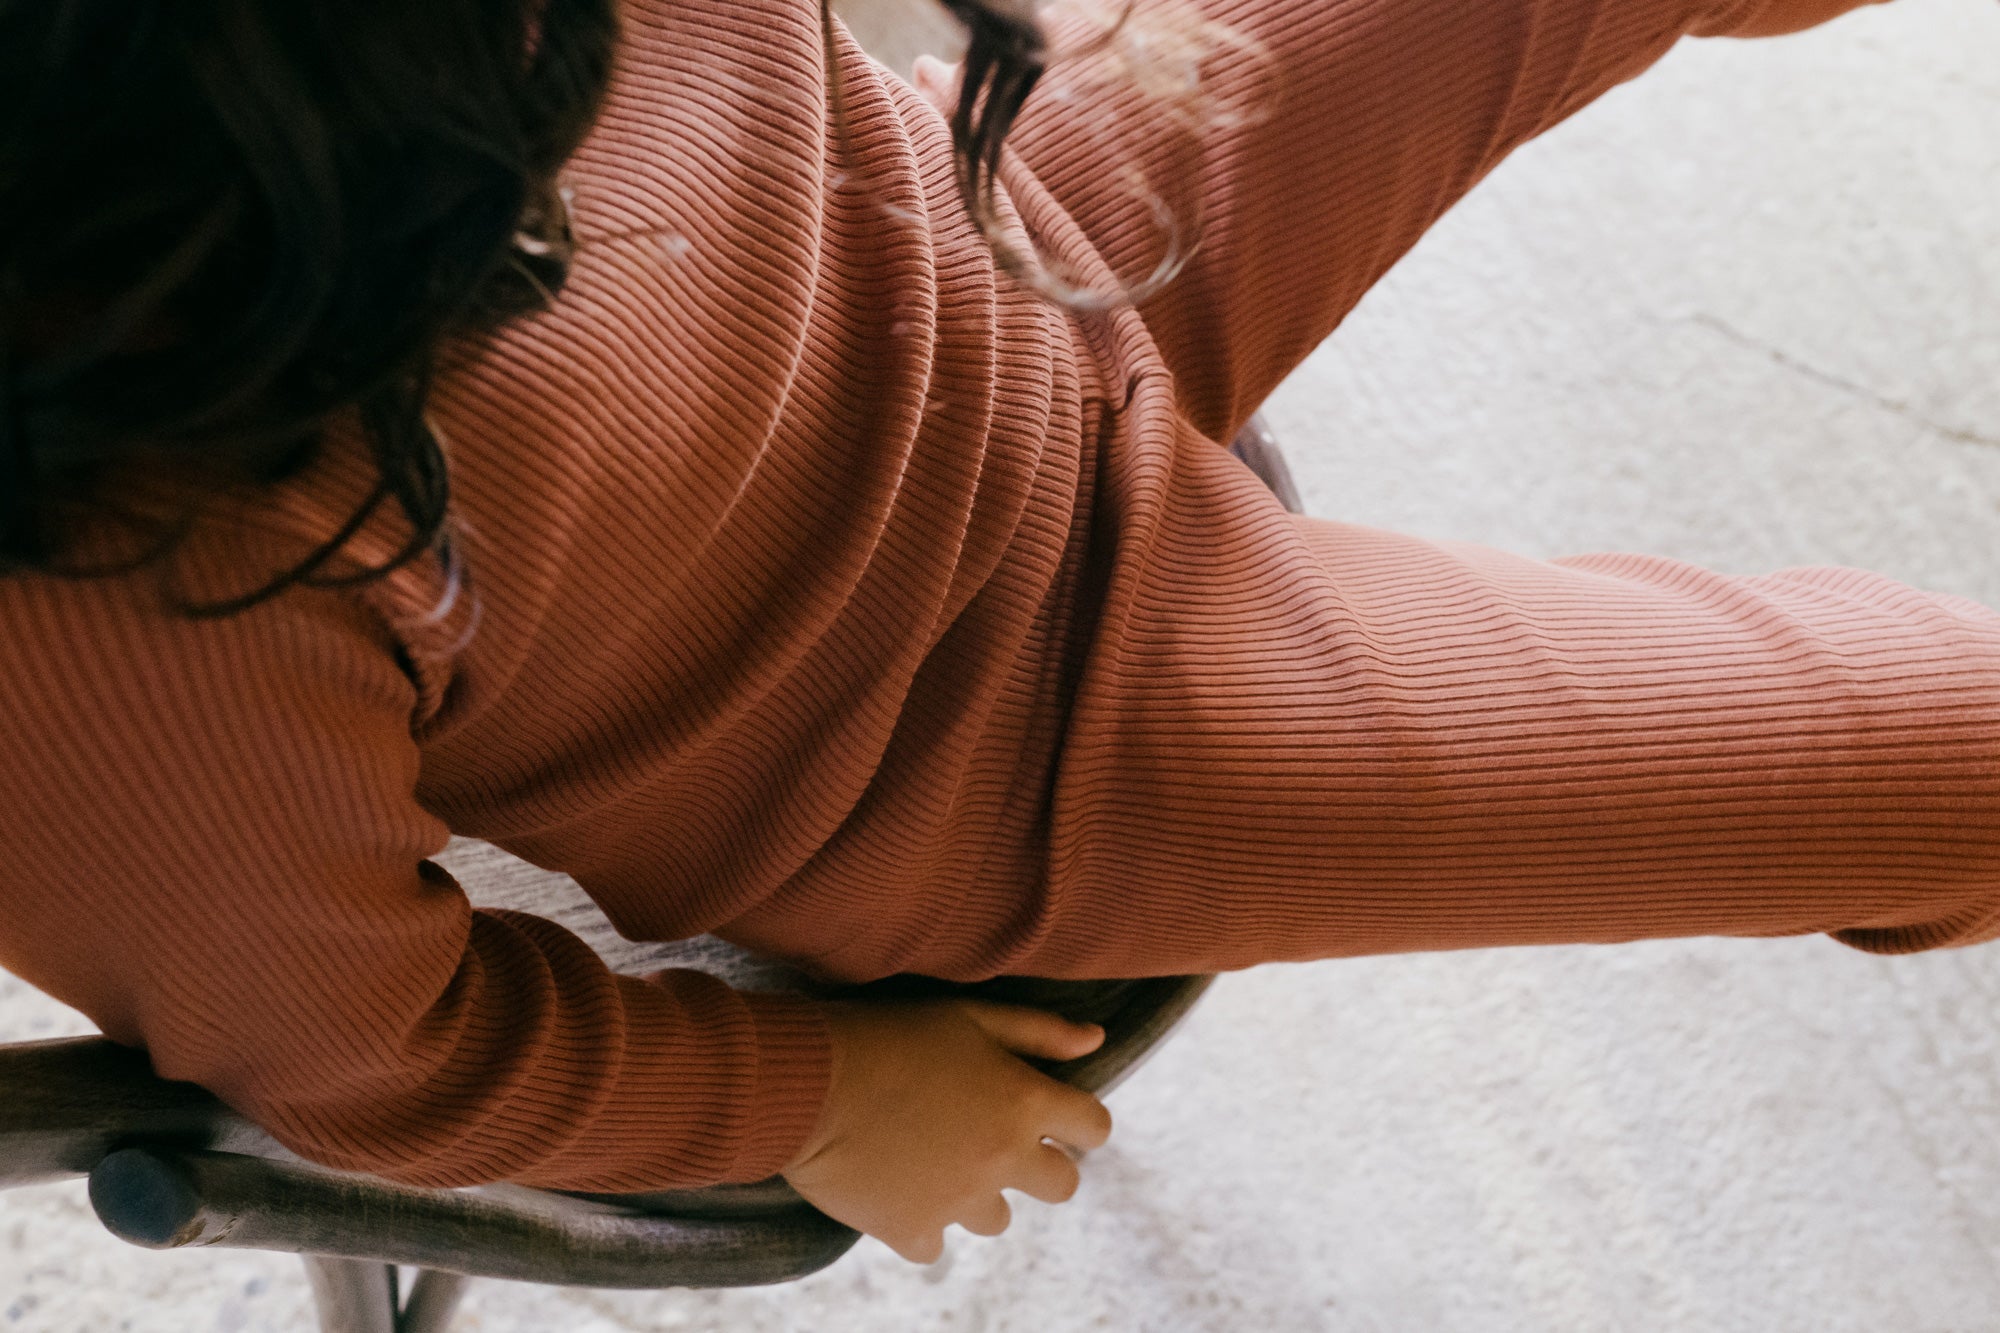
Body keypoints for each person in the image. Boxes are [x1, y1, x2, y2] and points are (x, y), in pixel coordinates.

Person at [2, 0, 1992, 1269]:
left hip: (979, 216)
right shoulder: (101, 588)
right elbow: (357, 1053)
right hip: (997, 735)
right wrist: (816, 1095)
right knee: (1955, 756)